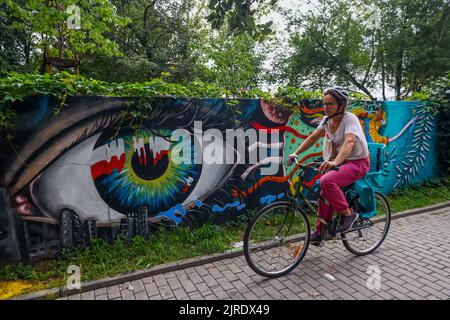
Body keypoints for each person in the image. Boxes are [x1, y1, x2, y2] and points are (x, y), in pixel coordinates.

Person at [287, 87, 370, 246]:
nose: (326, 107)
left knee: (326, 181)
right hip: (341, 162)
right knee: (323, 192)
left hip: (358, 163)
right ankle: (321, 232)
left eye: (330, 104)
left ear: (341, 104)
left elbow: (349, 142)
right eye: (324, 104)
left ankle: (348, 214)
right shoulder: (326, 120)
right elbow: (312, 138)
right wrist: (296, 152)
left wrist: (334, 162)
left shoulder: (349, 118)